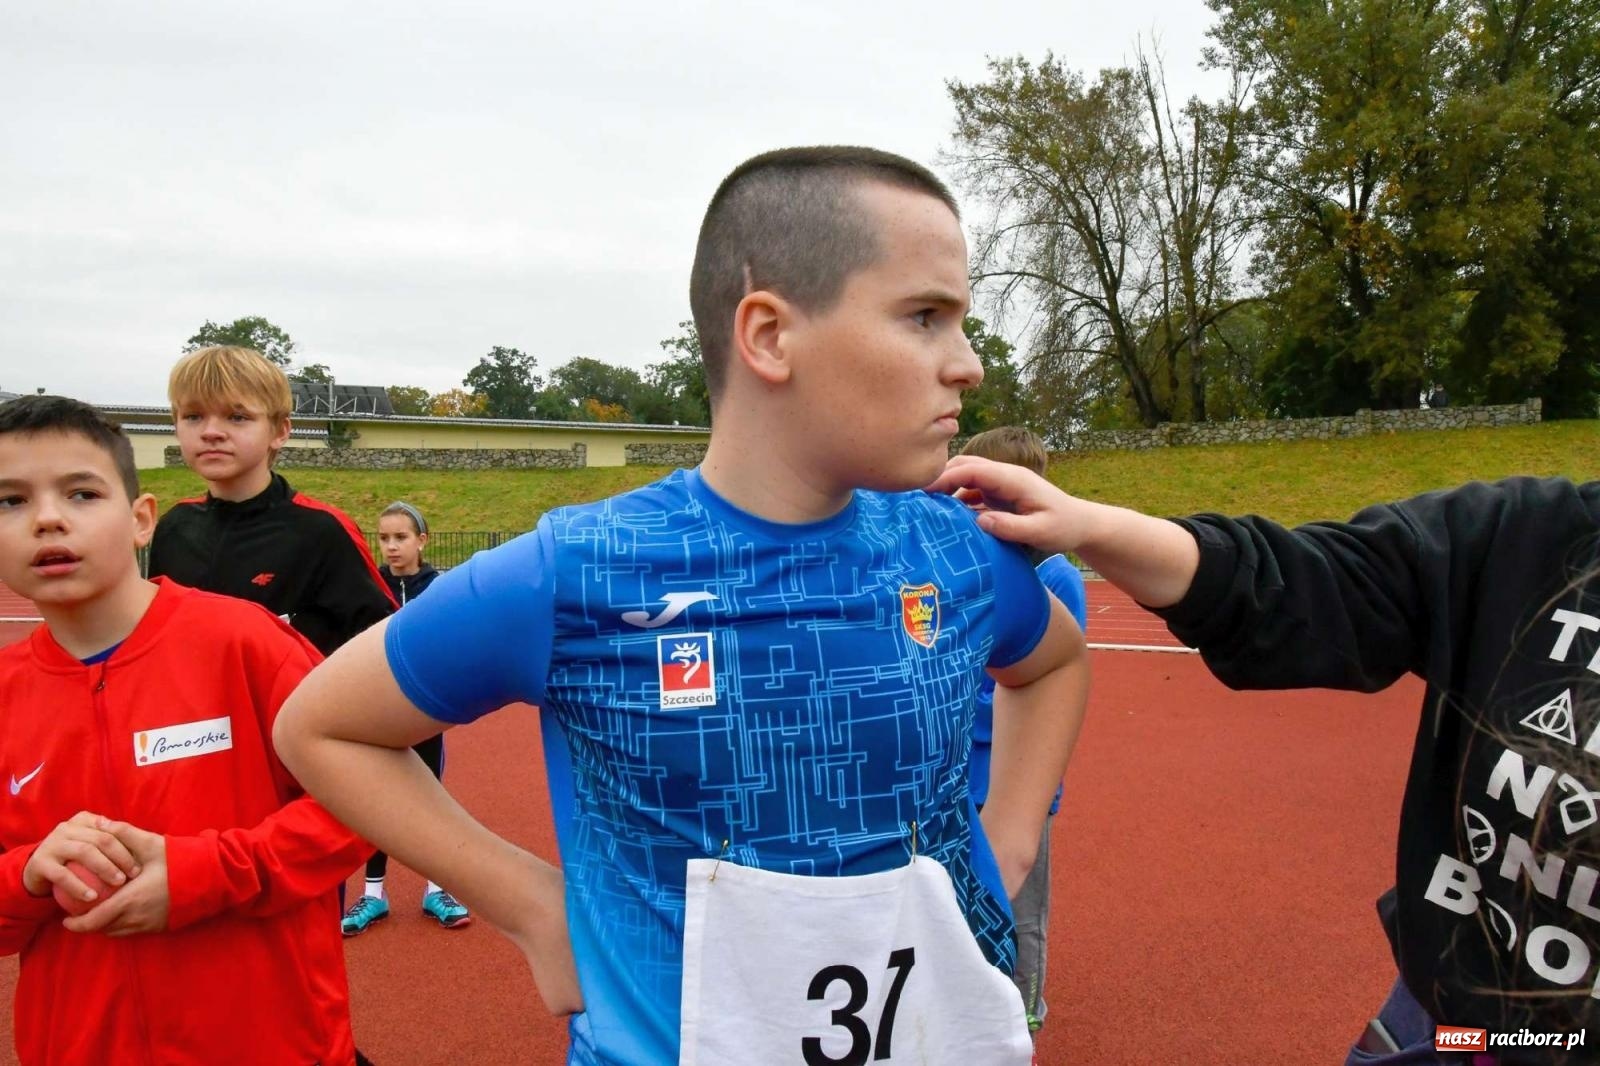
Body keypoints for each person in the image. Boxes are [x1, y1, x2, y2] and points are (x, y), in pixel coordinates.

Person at [274, 146, 1091, 1066]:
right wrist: (536, 908)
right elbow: (322, 726)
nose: (968, 365)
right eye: (925, 317)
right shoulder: (584, 566)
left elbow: (1053, 660)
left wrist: (1010, 840)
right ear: (771, 335)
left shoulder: (953, 547)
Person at [929, 453, 1600, 1064]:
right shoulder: (1536, 538)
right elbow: (1314, 583)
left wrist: (1015, 832)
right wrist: (1093, 525)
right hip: (1450, 1020)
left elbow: (1047, 663)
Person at [0, 395, 370, 1065]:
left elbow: (366, 802)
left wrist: (206, 873)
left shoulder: (244, 643)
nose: (47, 518)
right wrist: (27, 873)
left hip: (273, 1042)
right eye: (10, 502)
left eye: (81, 493)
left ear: (143, 520)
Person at [959, 427, 1089, 1037]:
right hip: (963, 773)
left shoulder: (1056, 578)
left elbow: (1039, 683)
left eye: (978, 488)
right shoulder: (988, 568)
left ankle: (1026, 1008)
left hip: (1014, 774)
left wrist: (960, 692)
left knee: (1023, 909)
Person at [147, 345, 395, 658]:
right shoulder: (173, 528)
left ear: (279, 431)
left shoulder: (323, 531)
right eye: (193, 416)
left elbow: (385, 646)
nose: (211, 432)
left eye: (237, 417)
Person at [342, 500, 469, 934]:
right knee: (377, 803)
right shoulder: (365, 587)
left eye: (401, 537)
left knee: (428, 800)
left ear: (422, 540)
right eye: (384, 538)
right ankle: (374, 894)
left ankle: (437, 889)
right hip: (378, 715)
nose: (392, 547)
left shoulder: (440, 588)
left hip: (425, 711)